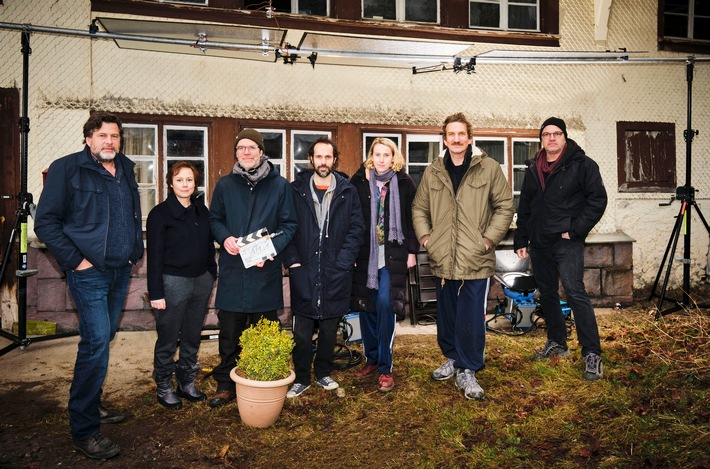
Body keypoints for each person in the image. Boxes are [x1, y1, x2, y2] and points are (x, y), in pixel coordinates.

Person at [34, 113, 144, 459]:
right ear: (88, 139)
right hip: (88, 272)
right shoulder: (67, 169)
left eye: (114, 136)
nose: (109, 141)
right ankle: (84, 430)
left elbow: (130, 213)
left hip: (120, 270)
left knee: (105, 335)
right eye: (102, 135)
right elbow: (46, 222)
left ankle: (92, 404)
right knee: (96, 341)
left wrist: (134, 253)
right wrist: (76, 261)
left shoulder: (125, 167)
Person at [412, 112, 514, 400]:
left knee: (470, 317)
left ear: (470, 137)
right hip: (443, 257)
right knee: (447, 315)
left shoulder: (489, 168)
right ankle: (453, 359)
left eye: (461, 134)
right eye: (450, 134)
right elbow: (419, 209)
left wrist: (487, 240)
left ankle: (469, 369)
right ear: (444, 139)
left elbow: (505, 207)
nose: (456, 139)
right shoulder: (433, 171)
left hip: (474, 259)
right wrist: (427, 239)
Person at [208, 128, 297, 407]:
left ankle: (264, 380)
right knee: (230, 331)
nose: (246, 152)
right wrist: (224, 237)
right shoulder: (224, 185)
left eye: (251, 147)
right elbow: (214, 219)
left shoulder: (280, 185)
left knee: (265, 330)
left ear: (261, 152)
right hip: (234, 270)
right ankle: (226, 383)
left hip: (263, 270)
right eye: (241, 148)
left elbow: (289, 225)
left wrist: (269, 250)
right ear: (236, 153)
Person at [514, 117, 608, 381]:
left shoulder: (583, 165)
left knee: (575, 292)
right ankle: (557, 343)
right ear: (541, 139)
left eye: (557, 133)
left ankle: (592, 354)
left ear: (565, 137)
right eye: (547, 134)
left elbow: (598, 200)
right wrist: (522, 238)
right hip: (540, 243)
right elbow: (526, 205)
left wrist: (576, 229)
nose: (552, 138)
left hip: (567, 242)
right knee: (547, 293)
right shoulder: (534, 168)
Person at [283, 137, 364, 398]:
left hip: (335, 269)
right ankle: (303, 377)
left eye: (328, 157)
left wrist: (343, 261)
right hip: (304, 267)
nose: (323, 162)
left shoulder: (347, 190)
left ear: (334, 160)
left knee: (330, 326)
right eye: (319, 157)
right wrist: (293, 262)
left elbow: (356, 228)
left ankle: (324, 373)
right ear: (311, 159)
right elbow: (287, 226)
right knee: (302, 330)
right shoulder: (296, 190)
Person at [350, 138, 419, 393]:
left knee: (385, 303)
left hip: (393, 254)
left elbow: (413, 218)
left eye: (386, 154)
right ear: (371, 156)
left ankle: (385, 367)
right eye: (376, 154)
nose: (381, 159)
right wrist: (352, 251)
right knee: (365, 306)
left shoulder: (404, 183)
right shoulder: (358, 181)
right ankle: (372, 358)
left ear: (393, 157)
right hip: (365, 255)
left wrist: (412, 251)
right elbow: (351, 218)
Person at [146, 161, 216, 409]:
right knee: (167, 337)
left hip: (201, 281)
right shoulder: (159, 214)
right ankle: (164, 386)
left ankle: (186, 382)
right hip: (172, 282)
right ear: (170, 183)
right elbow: (153, 256)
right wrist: (156, 291)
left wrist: (211, 272)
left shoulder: (202, 210)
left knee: (191, 335)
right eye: (179, 180)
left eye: (189, 180)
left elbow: (208, 244)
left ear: (195, 183)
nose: (185, 184)